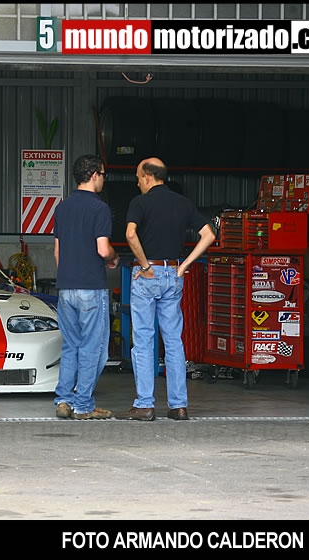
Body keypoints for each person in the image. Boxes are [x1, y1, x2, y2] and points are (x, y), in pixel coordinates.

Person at [115, 157, 215, 421]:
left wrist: (145, 265)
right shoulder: (182, 203)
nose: (137, 182)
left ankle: (145, 404)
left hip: (147, 275)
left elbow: (130, 234)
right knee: (173, 342)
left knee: (144, 341)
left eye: (138, 177)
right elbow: (209, 235)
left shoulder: (140, 203)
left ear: (148, 176)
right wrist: (184, 267)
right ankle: (179, 405)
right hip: (174, 273)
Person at [53, 154, 120, 420]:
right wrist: (114, 257)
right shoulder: (99, 208)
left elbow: (57, 251)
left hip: (66, 287)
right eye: (103, 174)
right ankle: (83, 405)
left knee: (71, 345)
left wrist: (68, 277)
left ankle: (64, 401)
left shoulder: (62, 207)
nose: (103, 179)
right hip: (91, 287)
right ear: (94, 175)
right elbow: (103, 249)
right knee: (94, 348)